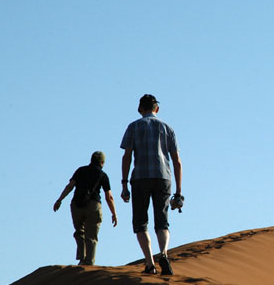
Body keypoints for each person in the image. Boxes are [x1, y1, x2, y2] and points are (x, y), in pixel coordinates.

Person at [120, 94, 182, 275]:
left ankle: (150, 263)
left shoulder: (133, 126)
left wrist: (124, 184)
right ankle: (164, 253)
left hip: (140, 178)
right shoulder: (167, 128)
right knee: (162, 222)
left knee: (140, 223)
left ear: (140, 109)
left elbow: (127, 156)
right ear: (157, 109)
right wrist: (178, 191)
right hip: (163, 177)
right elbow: (177, 161)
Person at [53, 151, 117, 265]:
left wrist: (59, 200)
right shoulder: (103, 175)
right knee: (91, 236)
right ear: (102, 162)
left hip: (77, 205)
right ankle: (89, 264)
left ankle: (82, 259)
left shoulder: (80, 170)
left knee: (79, 232)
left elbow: (70, 186)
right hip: (93, 206)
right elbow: (109, 197)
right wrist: (114, 213)